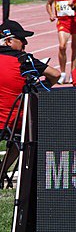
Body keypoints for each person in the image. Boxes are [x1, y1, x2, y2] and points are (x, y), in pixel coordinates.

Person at [0, 20, 60, 186]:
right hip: (15, 121)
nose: (25, 43)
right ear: (8, 41)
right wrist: (38, 86)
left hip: (5, 121)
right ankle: (2, 170)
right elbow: (55, 74)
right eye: (21, 39)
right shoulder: (23, 60)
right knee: (23, 131)